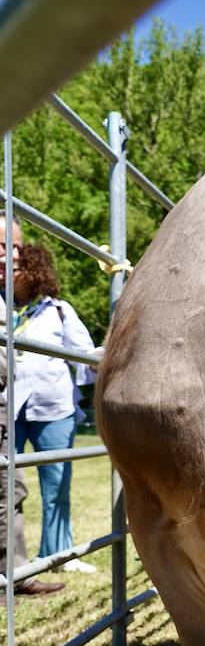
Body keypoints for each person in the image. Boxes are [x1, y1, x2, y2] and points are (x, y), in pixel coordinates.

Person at [6, 243, 101, 569]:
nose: (10, 270)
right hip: (11, 409)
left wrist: (106, 360)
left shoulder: (58, 310)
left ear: (35, 271)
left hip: (54, 408)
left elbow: (85, 355)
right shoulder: (4, 306)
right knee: (5, 485)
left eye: (18, 267)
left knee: (56, 484)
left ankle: (58, 554)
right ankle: (10, 560)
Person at [0, 220, 64, 595]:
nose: (9, 255)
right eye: (2, 244)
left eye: (15, 247)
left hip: (8, 407)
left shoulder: (13, 300)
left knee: (12, 486)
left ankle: (16, 573)